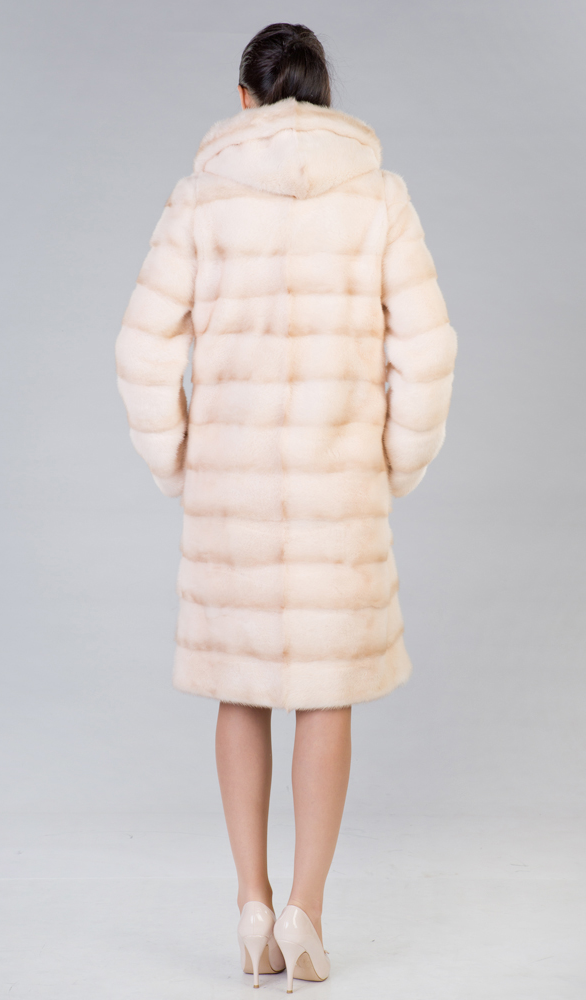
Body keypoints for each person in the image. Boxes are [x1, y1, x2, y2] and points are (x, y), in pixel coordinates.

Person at [115, 21, 457, 991]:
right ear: (324, 93)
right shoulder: (378, 197)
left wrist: (177, 461)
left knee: (240, 688)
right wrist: (396, 463)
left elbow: (141, 347)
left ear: (244, 98)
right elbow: (427, 347)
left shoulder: (202, 199)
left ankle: (251, 903)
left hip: (232, 495)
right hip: (337, 489)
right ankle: (306, 907)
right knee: (324, 690)